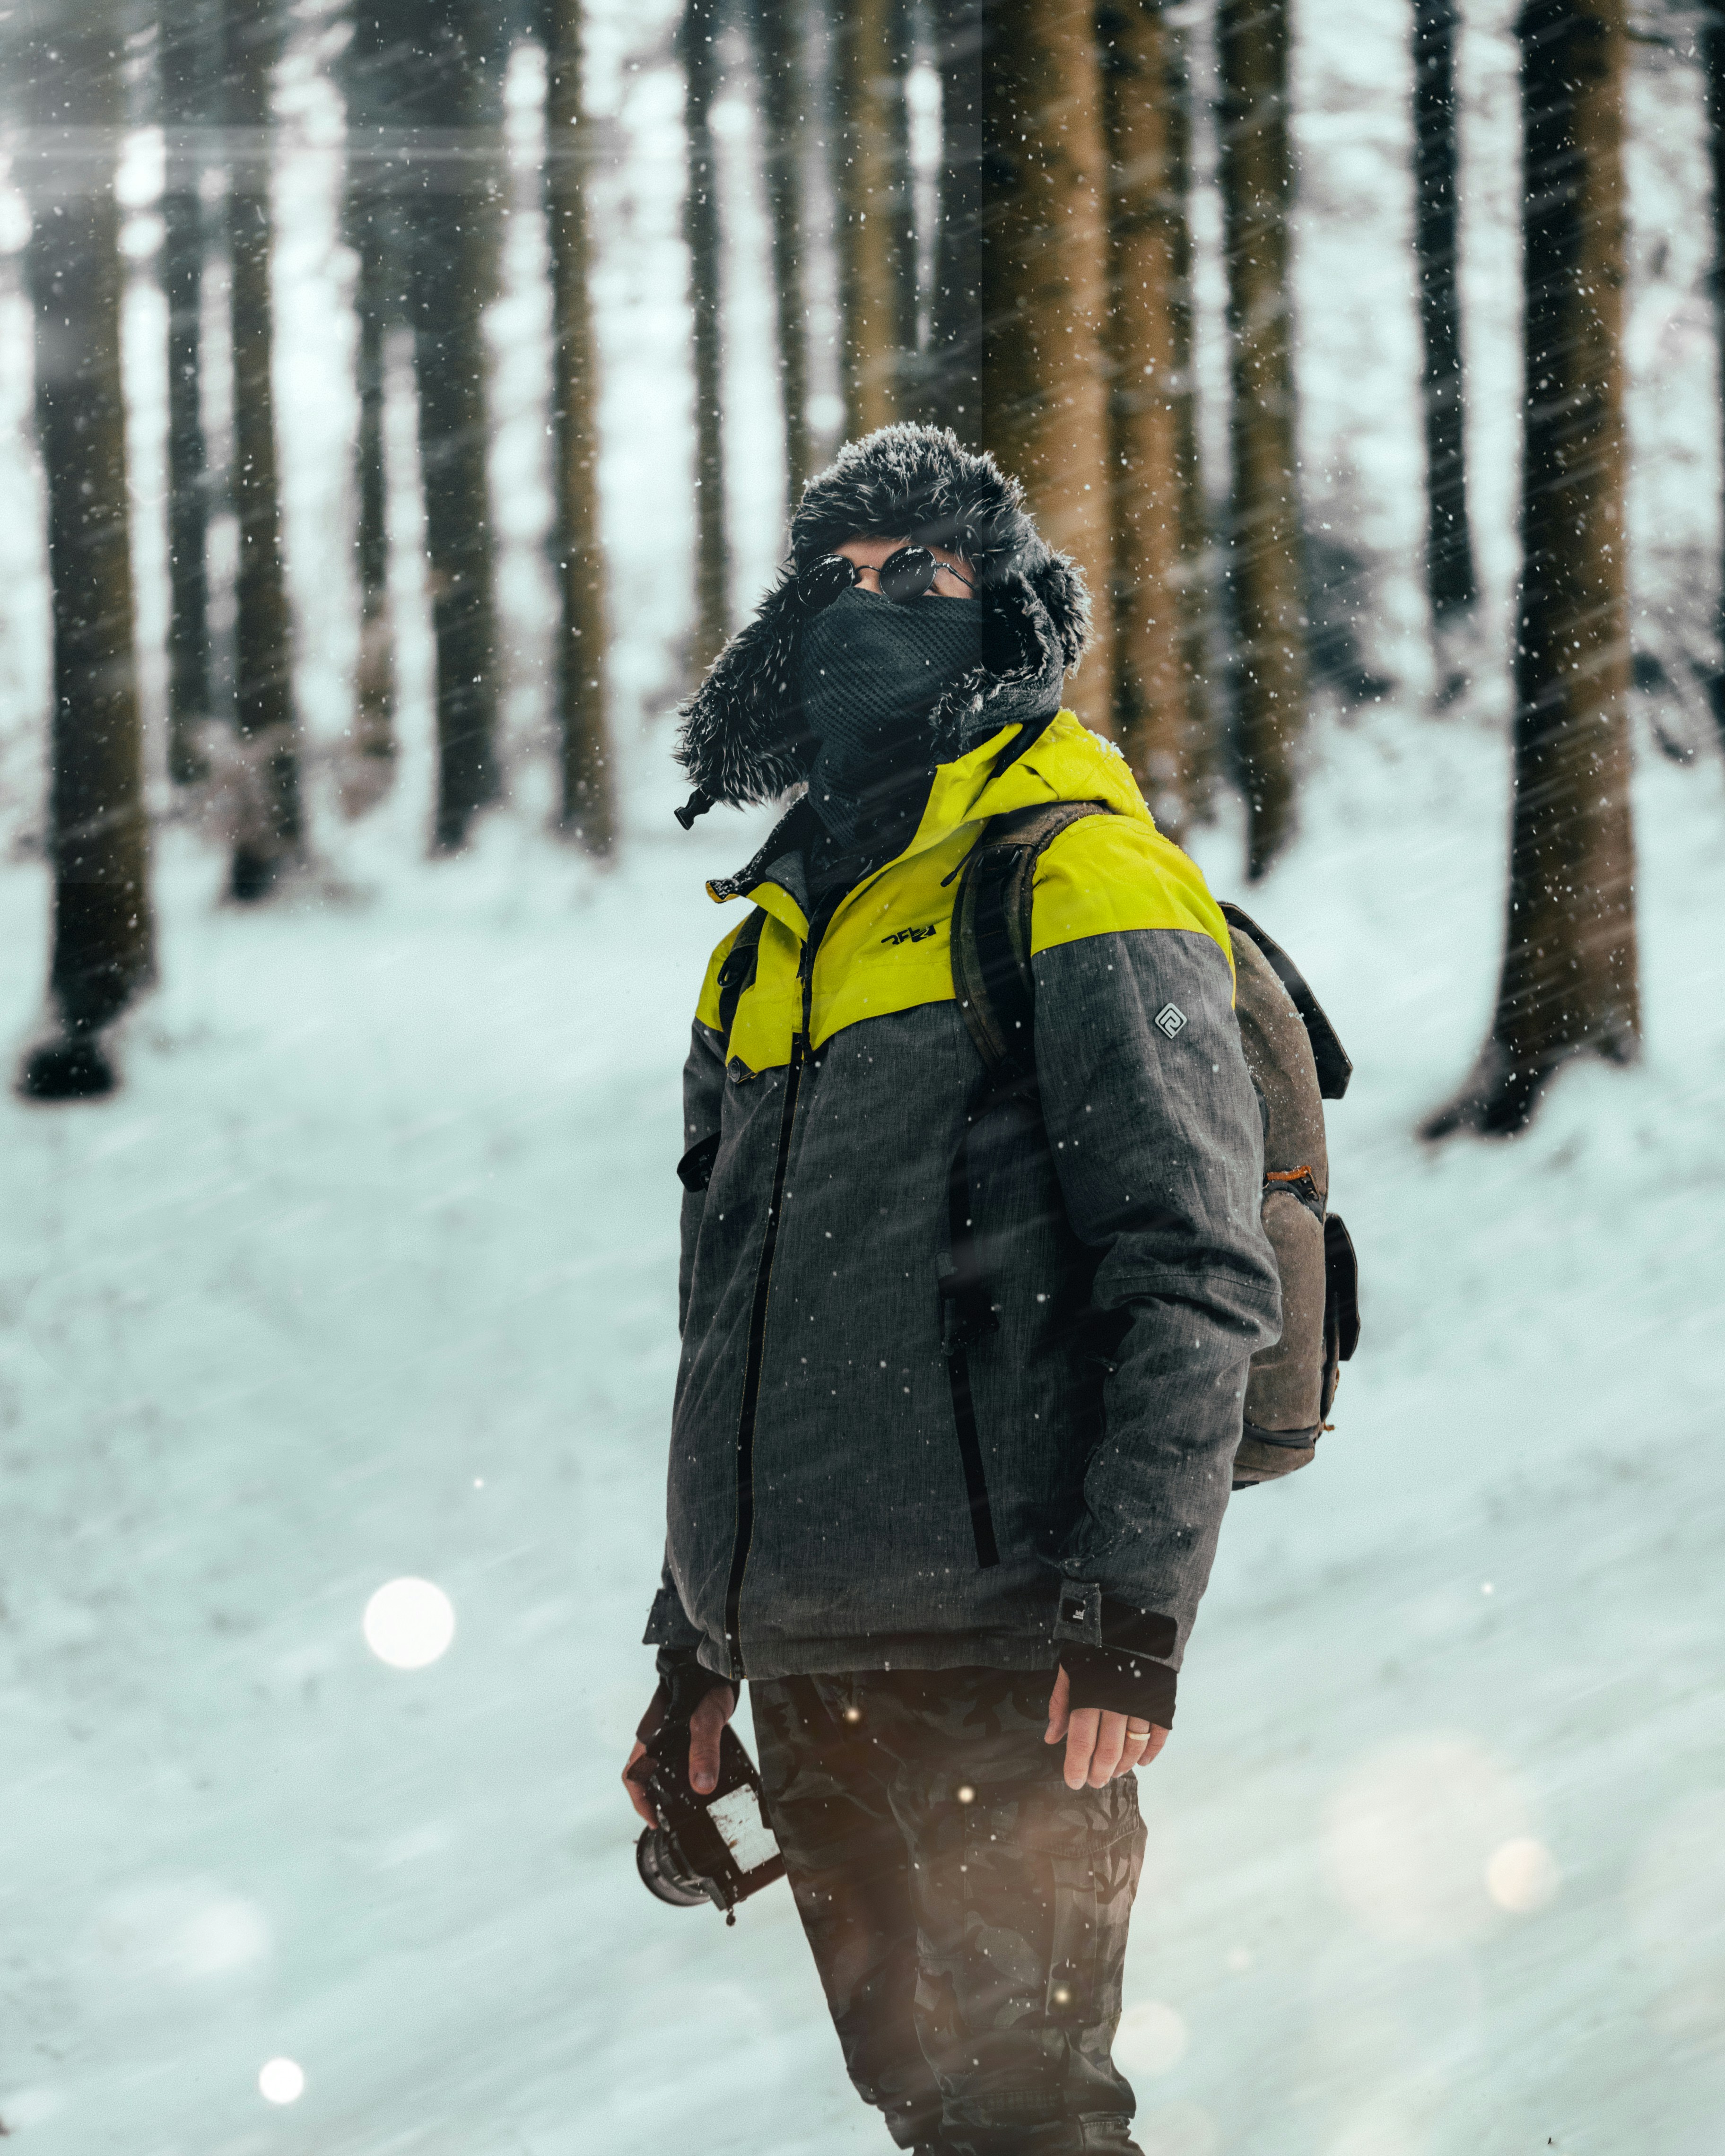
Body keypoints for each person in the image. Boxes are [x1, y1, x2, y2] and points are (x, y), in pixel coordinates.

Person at [624, 425, 1280, 2156]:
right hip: (805, 1666)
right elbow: (731, 1331)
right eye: (840, 581)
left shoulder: (1077, 873)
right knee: (932, 2119)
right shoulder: (763, 945)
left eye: (923, 573)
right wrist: (695, 1648)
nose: (876, 609)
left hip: (1016, 1660)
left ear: (1008, 607)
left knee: (1030, 2119)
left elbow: (1194, 1269)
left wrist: (1131, 1615)